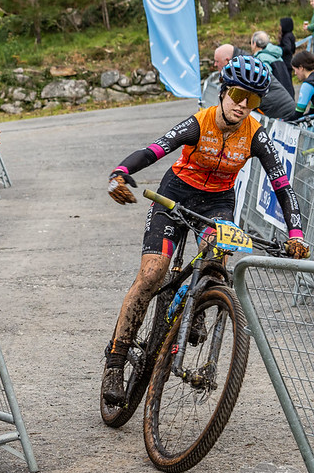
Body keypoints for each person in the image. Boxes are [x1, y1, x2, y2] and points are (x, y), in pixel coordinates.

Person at [102, 55, 309, 407]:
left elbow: (282, 184)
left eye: (253, 100)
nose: (244, 106)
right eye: (239, 95)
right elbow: (155, 149)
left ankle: (196, 305)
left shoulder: (255, 135)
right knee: (152, 273)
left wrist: (296, 233)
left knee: (217, 259)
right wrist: (120, 172)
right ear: (224, 92)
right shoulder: (200, 123)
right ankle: (115, 362)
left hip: (217, 203)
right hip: (176, 194)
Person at [214, 44, 296, 120]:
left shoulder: (246, 68)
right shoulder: (245, 64)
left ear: (227, 60)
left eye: (217, 61)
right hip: (281, 107)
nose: (215, 64)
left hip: (282, 113)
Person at [251, 30, 295, 97]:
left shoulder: (261, 58)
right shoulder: (277, 56)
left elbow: (266, 81)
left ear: (254, 43)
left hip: (277, 98)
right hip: (287, 95)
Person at [291, 50, 314, 116]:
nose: (295, 73)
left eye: (295, 70)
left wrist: (283, 121)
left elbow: (298, 113)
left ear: (301, 68)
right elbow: (312, 111)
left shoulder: (308, 85)